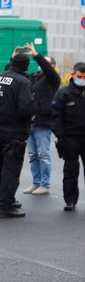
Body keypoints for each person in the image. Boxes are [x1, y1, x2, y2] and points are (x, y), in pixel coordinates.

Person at [0, 47, 34, 218]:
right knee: (10, 169)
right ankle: (6, 205)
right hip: (13, 132)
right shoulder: (24, 83)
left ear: (11, 63)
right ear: (26, 67)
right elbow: (25, 109)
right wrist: (32, 113)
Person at [22, 44, 61, 195]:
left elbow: (48, 70)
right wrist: (14, 58)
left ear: (51, 66)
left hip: (43, 122)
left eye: (45, 63)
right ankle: (36, 182)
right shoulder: (35, 76)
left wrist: (37, 56)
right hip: (30, 122)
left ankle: (45, 184)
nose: (40, 66)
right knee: (33, 155)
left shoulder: (53, 79)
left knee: (43, 154)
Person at [51, 62, 85, 211]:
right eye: (79, 76)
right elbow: (56, 116)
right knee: (71, 171)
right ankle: (70, 200)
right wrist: (60, 136)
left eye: (84, 77)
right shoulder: (63, 93)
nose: (82, 79)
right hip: (70, 138)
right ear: (73, 75)